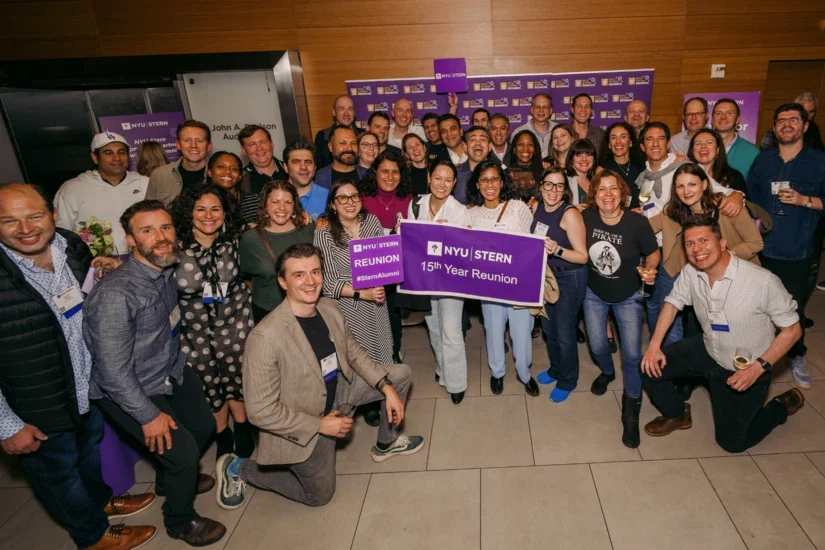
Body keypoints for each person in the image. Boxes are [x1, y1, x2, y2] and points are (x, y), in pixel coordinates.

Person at [0, 183, 156, 550]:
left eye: (34, 216)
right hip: (36, 405)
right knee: (59, 475)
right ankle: (92, 534)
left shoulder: (70, 245)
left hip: (87, 385)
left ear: (53, 214)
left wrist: (107, 271)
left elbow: (87, 298)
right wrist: (7, 424)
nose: (25, 229)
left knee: (88, 454)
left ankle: (101, 501)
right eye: (9, 221)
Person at [213, 243, 424, 510]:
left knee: (400, 374)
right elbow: (260, 412)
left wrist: (386, 387)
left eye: (315, 272)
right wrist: (319, 425)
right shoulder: (265, 338)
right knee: (319, 496)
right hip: (305, 418)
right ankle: (239, 467)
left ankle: (386, 442)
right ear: (282, 282)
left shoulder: (329, 308)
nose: (310, 281)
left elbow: (354, 352)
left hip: (339, 390)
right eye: (299, 275)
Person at [84, 200, 226, 547]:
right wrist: (149, 416)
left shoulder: (163, 268)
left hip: (169, 369)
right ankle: (179, 520)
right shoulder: (116, 294)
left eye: (165, 228)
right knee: (182, 454)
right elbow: (112, 372)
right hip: (130, 388)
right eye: (147, 231)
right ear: (131, 241)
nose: (161, 237)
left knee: (204, 425)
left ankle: (167, 479)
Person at [641, 215, 805, 453]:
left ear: (723, 243)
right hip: (708, 349)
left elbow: (793, 330)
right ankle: (678, 414)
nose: (697, 249)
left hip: (746, 366)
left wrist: (758, 368)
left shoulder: (762, 281)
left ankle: (781, 405)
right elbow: (672, 302)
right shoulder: (690, 272)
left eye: (704, 240)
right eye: (690, 243)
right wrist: (654, 346)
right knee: (648, 366)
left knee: (732, 443)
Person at [171, 184, 255, 461]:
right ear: (189, 213)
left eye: (215, 209)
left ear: (225, 213)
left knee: (237, 377)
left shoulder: (237, 239)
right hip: (193, 331)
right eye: (201, 209)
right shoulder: (173, 247)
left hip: (235, 322)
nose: (208, 215)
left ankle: (242, 427)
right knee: (209, 383)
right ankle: (222, 433)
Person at [747, 102, 825, 391]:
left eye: (794, 120)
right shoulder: (763, 160)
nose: (787, 125)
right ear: (774, 127)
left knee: (791, 309)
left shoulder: (819, 161)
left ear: (805, 126)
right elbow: (752, 199)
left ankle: (795, 355)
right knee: (757, 306)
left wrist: (805, 200)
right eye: (781, 121)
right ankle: (759, 353)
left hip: (796, 249)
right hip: (762, 249)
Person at [581, 170, 660, 449]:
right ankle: (606, 371)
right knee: (598, 345)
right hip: (594, 294)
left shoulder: (637, 223)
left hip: (629, 297)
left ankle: (630, 410)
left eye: (613, 189)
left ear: (623, 193)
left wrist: (650, 270)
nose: (608, 195)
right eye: (601, 189)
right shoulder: (585, 218)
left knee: (631, 355)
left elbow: (653, 252)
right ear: (594, 195)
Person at [647, 163, 763, 350]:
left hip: (732, 275)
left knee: (731, 330)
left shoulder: (727, 207)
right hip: (688, 271)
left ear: (704, 184)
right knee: (688, 328)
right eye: (680, 186)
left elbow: (756, 243)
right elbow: (646, 228)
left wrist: (721, 257)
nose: (686, 191)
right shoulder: (673, 210)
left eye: (692, 184)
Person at [466, 160, 539, 397]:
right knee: (494, 330)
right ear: (477, 184)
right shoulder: (470, 214)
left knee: (522, 333)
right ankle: (497, 373)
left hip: (519, 285)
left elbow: (532, 243)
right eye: (484, 180)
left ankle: (524, 373)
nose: (490, 184)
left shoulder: (518, 207)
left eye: (495, 179)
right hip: (489, 287)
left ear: (502, 181)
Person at [407, 160, 471, 403]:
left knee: (451, 330)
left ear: (454, 183)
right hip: (424, 279)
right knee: (433, 327)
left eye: (448, 180)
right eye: (437, 178)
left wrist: (452, 237)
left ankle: (456, 383)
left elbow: (467, 252)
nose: (442, 184)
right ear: (429, 178)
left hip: (451, 281)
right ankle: (443, 370)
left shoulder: (460, 211)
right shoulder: (416, 205)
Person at [314, 179, 394, 364]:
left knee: (382, 355)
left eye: (354, 196)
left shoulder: (371, 221)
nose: (350, 202)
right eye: (342, 198)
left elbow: (383, 263)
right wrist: (363, 294)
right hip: (348, 306)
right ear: (333, 204)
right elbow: (328, 282)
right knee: (358, 360)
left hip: (377, 302)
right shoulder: (324, 232)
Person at [637, 122, 743, 248]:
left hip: (679, 247)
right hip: (650, 244)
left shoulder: (684, 167)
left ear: (668, 143)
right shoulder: (644, 176)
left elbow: (722, 191)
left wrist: (737, 195)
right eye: (650, 139)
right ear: (643, 147)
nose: (655, 144)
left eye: (661, 138)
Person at [531, 168, 589, 402]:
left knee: (564, 333)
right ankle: (556, 369)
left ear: (565, 190)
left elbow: (583, 256)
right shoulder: (536, 207)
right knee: (548, 329)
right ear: (541, 186)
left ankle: (568, 379)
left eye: (559, 186)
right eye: (548, 184)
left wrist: (558, 249)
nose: (553, 191)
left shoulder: (570, 214)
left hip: (569, 276)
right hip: (546, 276)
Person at [55, 132, 148, 255]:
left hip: (143, 259)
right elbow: (62, 232)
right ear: (94, 157)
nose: (117, 158)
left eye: (121, 152)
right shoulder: (73, 189)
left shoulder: (144, 183)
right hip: (98, 265)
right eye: (108, 153)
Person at [360, 151, 412, 362]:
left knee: (392, 311)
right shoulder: (362, 198)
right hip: (370, 265)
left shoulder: (408, 198)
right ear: (375, 172)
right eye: (384, 171)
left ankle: (394, 351)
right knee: (373, 311)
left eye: (395, 172)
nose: (390, 177)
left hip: (398, 266)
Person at [239, 180, 315, 323]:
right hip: (267, 312)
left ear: (295, 205)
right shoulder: (251, 238)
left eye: (288, 202)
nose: (282, 208)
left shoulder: (308, 229)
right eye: (275, 202)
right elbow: (245, 277)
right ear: (265, 204)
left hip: (305, 309)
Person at [146, 120, 211, 207]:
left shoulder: (219, 175)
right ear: (178, 144)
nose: (193, 145)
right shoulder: (160, 175)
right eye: (187, 140)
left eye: (199, 140)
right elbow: (149, 212)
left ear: (209, 146)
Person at [237, 125, 288, 223]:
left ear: (272, 144)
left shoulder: (290, 171)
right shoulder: (240, 180)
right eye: (252, 144)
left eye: (263, 142)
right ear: (244, 150)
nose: (259, 148)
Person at [711, 98, 759, 178]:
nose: (723, 117)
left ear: (737, 119)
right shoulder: (701, 148)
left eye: (729, 113)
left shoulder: (753, 152)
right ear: (712, 119)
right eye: (718, 113)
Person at [598, 122, 643, 207]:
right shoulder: (602, 170)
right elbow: (600, 203)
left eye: (623, 137)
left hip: (641, 216)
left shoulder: (641, 167)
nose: (618, 142)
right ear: (609, 144)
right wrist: (629, 213)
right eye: (613, 138)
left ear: (630, 142)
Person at [688, 129, 747, 193]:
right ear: (692, 151)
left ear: (718, 150)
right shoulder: (683, 174)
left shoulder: (734, 177)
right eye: (698, 143)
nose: (703, 146)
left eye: (709, 142)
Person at [283, 141, 328, 221]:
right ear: (286, 167)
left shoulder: (328, 198)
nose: (303, 167)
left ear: (315, 167)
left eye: (308, 162)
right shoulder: (273, 199)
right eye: (296, 162)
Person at [313, 95, 362, 169]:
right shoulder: (322, 136)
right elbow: (318, 166)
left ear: (354, 113)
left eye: (350, 109)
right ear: (334, 112)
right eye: (341, 109)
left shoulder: (363, 136)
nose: (346, 113)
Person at [315, 125, 367, 190]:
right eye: (343, 143)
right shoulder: (319, 178)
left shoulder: (366, 175)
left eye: (353, 143)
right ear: (330, 147)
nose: (349, 148)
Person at [455, 125, 497, 205]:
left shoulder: (499, 173)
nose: (478, 143)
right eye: (473, 140)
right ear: (465, 146)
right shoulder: (455, 174)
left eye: (483, 139)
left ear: (490, 147)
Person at [512, 93, 556, 157]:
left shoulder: (560, 131)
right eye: (537, 107)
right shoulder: (519, 132)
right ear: (532, 110)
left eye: (545, 107)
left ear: (550, 110)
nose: (541, 110)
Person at [506, 130, 544, 202]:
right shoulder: (504, 175)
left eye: (530, 145)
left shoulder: (544, 174)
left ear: (535, 149)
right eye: (521, 144)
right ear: (514, 149)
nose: (526, 149)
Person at [570, 93, 607, 162]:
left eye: (587, 106)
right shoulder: (562, 133)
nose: (583, 110)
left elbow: (605, 161)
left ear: (591, 110)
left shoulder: (600, 135)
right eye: (579, 106)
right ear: (572, 109)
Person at [566, 138, 598, 205]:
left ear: (594, 159)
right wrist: (572, 209)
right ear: (571, 159)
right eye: (579, 155)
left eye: (588, 154)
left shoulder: (597, 182)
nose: (584, 159)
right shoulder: (564, 180)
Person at [624, 100, 650, 167]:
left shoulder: (654, 136)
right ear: (625, 118)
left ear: (647, 118)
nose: (636, 114)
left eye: (641, 111)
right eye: (632, 111)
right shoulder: (619, 138)